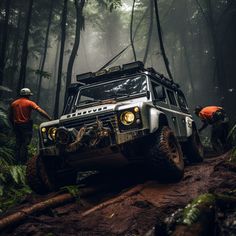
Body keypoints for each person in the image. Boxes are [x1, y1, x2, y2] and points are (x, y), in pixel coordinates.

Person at [9, 88, 52, 164]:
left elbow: (10, 116)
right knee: (25, 143)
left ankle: (14, 161)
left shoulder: (14, 103)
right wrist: (49, 118)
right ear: (28, 95)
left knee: (18, 143)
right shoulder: (29, 103)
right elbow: (40, 111)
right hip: (26, 126)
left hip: (17, 126)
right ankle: (24, 162)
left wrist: (13, 125)